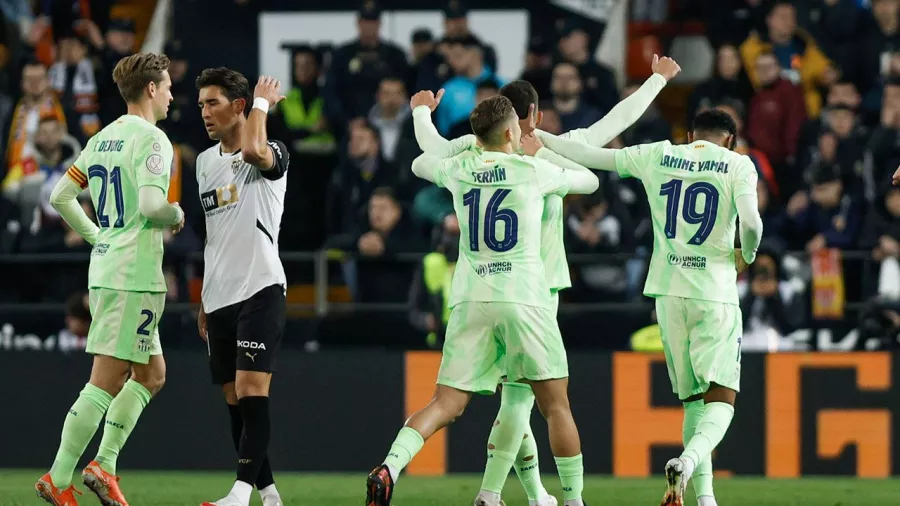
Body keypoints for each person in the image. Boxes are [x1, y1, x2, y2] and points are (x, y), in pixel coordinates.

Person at [409, 53, 681, 506]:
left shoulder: (473, 149)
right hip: (538, 287)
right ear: (532, 115)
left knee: (514, 399)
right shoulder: (555, 147)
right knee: (524, 400)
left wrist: (422, 112)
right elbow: (617, 121)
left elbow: (429, 154)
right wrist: (656, 81)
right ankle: (499, 494)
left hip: (485, 285)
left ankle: (518, 494)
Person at [365, 95, 600, 506]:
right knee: (555, 406)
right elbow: (590, 181)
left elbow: (421, 161)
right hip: (524, 297)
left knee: (445, 403)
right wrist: (544, 148)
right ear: (512, 132)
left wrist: (423, 112)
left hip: (472, 298)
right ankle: (574, 501)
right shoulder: (532, 170)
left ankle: (389, 466)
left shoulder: (459, 169)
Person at [535, 109, 763, 506]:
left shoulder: (659, 154)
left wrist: (538, 137)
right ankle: (689, 463)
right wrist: (749, 252)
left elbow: (593, 156)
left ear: (690, 134)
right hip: (714, 291)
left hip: (668, 293)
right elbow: (753, 223)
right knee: (722, 399)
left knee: (693, 399)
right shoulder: (738, 164)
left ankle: (705, 498)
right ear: (730, 140)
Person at [35, 52, 184, 506]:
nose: (173, 93)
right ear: (152, 89)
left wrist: (97, 236)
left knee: (152, 373)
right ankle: (59, 479)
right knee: (106, 380)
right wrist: (174, 213)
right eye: (168, 85)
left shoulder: (101, 138)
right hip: (132, 274)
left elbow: (62, 196)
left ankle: (104, 466)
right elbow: (153, 207)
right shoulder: (153, 140)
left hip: (110, 266)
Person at [194, 68, 290, 506]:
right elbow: (215, 233)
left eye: (212, 103)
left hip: (260, 287)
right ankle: (269, 494)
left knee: (252, 388)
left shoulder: (272, 152)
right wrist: (203, 298)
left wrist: (262, 104)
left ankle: (238, 495)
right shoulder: (203, 162)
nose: (204, 113)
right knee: (235, 400)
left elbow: (253, 149)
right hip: (219, 296)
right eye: (199, 105)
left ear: (239, 107)